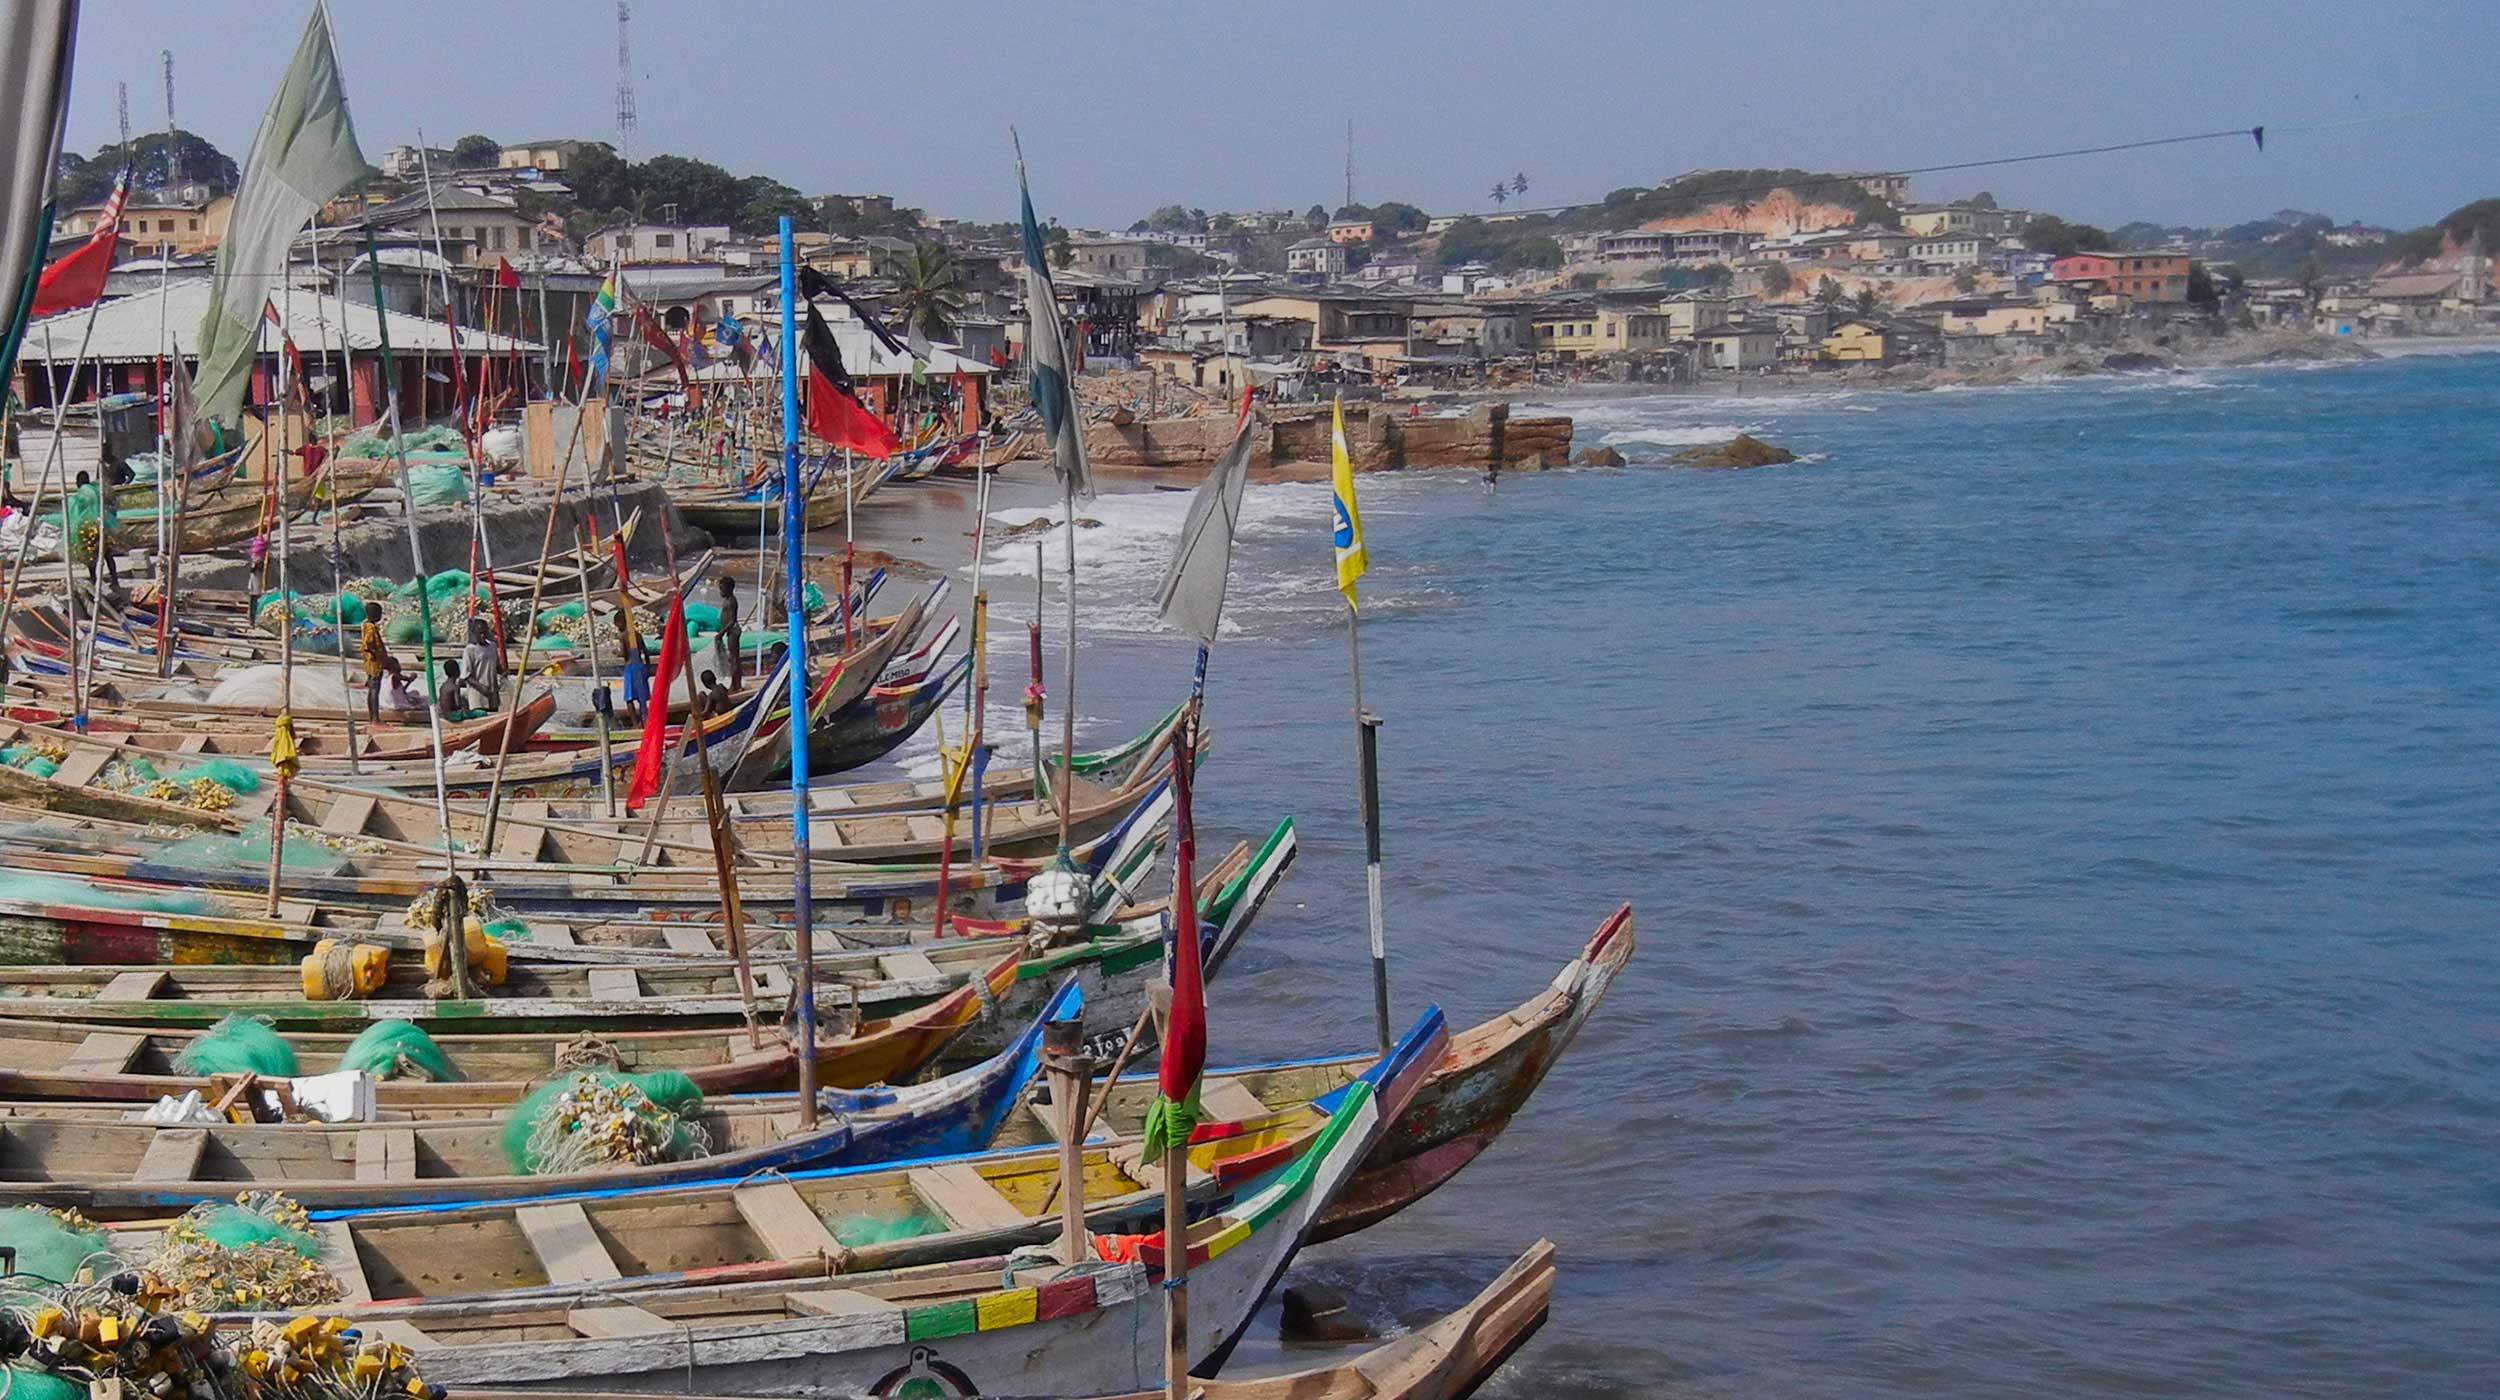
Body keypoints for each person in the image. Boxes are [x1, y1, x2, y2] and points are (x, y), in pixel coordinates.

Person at [357, 600, 390, 724]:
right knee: (374, 690)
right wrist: (379, 656)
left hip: (370, 663)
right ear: (375, 614)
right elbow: (368, 643)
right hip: (374, 663)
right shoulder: (370, 628)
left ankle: (373, 717)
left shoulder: (366, 625)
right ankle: (375, 718)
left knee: (372, 689)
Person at [461, 614, 502, 711]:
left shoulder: (492, 647)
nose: (483, 636)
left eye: (485, 632)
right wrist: (482, 688)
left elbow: (496, 666)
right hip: (478, 697)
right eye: (480, 633)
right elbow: (466, 676)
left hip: (492, 695)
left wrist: (503, 671)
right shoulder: (470, 650)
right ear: (474, 633)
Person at [715, 574, 743, 689]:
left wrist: (721, 633)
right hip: (730, 632)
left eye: (722, 589)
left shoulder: (731, 601)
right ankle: (735, 683)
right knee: (733, 658)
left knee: (734, 658)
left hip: (733, 631)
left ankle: (735, 684)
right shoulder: (727, 600)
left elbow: (731, 621)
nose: (720, 592)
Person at [621, 636, 652, 725]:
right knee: (641, 697)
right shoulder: (637, 635)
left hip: (630, 667)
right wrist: (648, 667)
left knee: (629, 698)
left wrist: (616, 652)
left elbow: (623, 653)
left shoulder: (623, 635)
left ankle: (635, 724)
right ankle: (644, 721)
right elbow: (646, 652)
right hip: (640, 665)